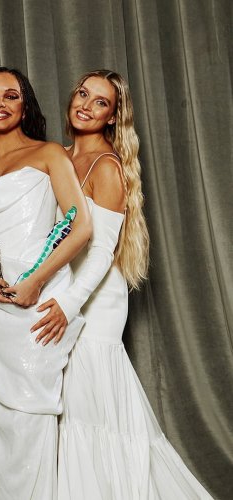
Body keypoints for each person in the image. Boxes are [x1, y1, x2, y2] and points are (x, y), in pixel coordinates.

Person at [56, 69, 213, 499]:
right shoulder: (61, 156)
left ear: (112, 116)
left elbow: (102, 253)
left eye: (100, 102)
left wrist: (69, 304)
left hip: (95, 299)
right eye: (83, 94)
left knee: (93, 410)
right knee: (69, 409)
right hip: (64, 290)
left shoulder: (107, 167)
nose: (86, 105)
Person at [0, 67, 92, 500]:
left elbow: (81, 228)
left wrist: (35, 281)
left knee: (32, 413)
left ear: (25, 105)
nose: (0, 103)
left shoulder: (49, 153)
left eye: (11, 95)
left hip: (38, 302)